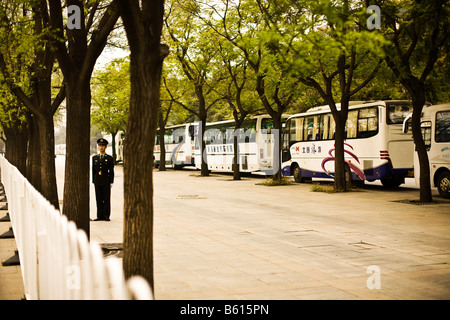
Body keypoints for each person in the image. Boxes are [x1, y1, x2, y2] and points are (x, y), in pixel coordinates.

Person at [92, 138, 114, 221]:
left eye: (103, 146)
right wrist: (93, 181)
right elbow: (93, 170)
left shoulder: (109, 158)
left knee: (106, 199)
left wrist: (111, 181)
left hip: (106, 181)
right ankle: (99, 215)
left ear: (105, 147)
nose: (101, 147)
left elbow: (111, 171)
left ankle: (106, 215)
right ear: (98, 146)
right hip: (97, 181)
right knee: (98, 198)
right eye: (100, 146)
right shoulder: (95, 158)